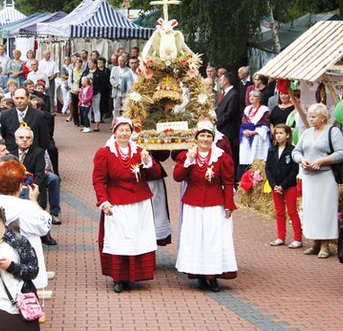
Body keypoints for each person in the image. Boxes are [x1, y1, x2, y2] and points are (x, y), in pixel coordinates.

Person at [92, 117, 161, 293]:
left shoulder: (140, 151)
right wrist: (103, 201)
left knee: (138, 238)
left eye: (127, 130)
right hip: (117, 204)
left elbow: (155, 174)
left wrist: (147, 162)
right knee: (119, 240)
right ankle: (119, 277)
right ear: (114, 132)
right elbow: (98, 180)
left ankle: (135, 275)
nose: (124, 133)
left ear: (131, 132)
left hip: (140, 202)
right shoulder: (104, 153)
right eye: (121, 130)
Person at [173, 120, 237, 292]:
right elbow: (177, 177)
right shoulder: (187, 155)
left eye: (209, 136)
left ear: (213, 138)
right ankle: (199, 275)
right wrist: (189, 161)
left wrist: (229, 204)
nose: (205, 139)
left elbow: (229, 182)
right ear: (196, 137)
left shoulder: (221, 157)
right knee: (196, 239)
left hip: (214, 203)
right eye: (202, 135)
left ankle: (213, 276)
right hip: (193, 203)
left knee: (212, 240)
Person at [0, 159, 52, 289]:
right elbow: (45, 227)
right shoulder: (28, 207)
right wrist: (34, 201)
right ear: (21, 185)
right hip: (23, 265)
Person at [292, 103, 343, 258]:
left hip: (326, 176)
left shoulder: (333, 131)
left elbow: (342, 153)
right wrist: (301, 159)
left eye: (313, 116)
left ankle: (325, 245)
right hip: (309, 177)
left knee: (325, 210)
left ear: (323, 118)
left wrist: (322, 161)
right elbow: (296, 150)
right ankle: (315, 243)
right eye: (309, 115)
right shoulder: (307, 133)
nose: (310, 119)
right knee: (311, 210)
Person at [14, 126, 57, 246]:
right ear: (16, 139)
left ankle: (44, 234)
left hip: (33, 186)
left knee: (38, 202)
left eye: (28, 138)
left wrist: (30, 188)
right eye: (21, 137)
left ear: (32, 141)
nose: (24, 140)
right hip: (14, 187)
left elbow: (40, 175)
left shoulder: (38, 152)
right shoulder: (10, 152)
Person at [265, 124, 302, 248]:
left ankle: (297, 238)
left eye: (281, 133)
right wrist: (274, 184)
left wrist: (283, 185)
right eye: (277, 133)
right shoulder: (271, 150)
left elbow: (294, 170)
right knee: (279, 212)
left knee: (292, 211)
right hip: (275, 187)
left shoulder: (292, 150)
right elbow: (268, 168)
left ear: (287, 135)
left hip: (289, 186)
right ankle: (280, 236)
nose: (278, 135)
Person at [0, 88, 50, 155]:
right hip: (11, 154)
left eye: (22, 98)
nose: (19, 101)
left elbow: (44, 139)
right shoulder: (5, 115)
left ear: (28, 98)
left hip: (33, 155)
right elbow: (2, 136)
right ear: (13, 98)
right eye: (17, 98)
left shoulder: (39, 115)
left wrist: (37, 153)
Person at [238, 90, 271, 179]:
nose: (251, 98)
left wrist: (254, 132)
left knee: (258, 160)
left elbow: (265, 125)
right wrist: (244, 131)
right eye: (250, 96)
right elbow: (243, 122)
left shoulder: (264, 109)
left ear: (259, 99)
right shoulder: (247, 109)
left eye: (254, 96)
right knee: (246, 160)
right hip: (246, 138)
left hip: (258, 137)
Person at [215, 72, 241, 161]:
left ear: (226, 81)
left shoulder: (233, 94)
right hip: (222, 128)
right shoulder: (226, 93)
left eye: (221, 80)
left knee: (229, 155)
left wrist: (217, 123)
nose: (220, 82)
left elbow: (230, 113)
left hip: (228, 129)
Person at [109, 54, 134, 119]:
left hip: (125, 91)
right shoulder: (114, 69)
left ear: (125, 62)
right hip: (116, 91)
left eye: (122, 61)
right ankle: (115, 121)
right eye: (119, 60)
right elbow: (111, 79)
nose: (120, 62)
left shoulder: (129, 70)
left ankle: (125, 120)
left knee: (125, 107)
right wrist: (116, 85)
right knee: (116, 107)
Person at [67, 57, 83, 126]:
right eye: (76, 62)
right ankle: (76, 121)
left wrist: (81, 89)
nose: (78, 64)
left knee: (82, 106)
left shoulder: (83, 71)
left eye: (79, 62)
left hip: (82, 91)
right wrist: (74, 89)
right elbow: (69, 82)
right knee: (75, 105)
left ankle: (83, 120)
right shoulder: (72, 71)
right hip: (74, 90)